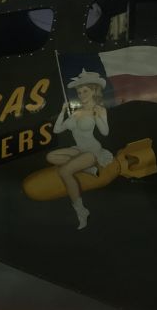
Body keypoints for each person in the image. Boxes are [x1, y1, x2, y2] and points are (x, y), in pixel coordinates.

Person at [47, 70, 113, 229]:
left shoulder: (99, 109)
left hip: (92, 152)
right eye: (79, 92)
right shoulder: (76, 112)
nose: (82, 94)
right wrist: (62, 112)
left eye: (85, 91)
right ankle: (88, 169)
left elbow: (105, 133)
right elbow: (57, 130)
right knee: (51, 157)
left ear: (93, 91)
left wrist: (97, 116)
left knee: (64, 171)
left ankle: (81, 210)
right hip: (78, 150)